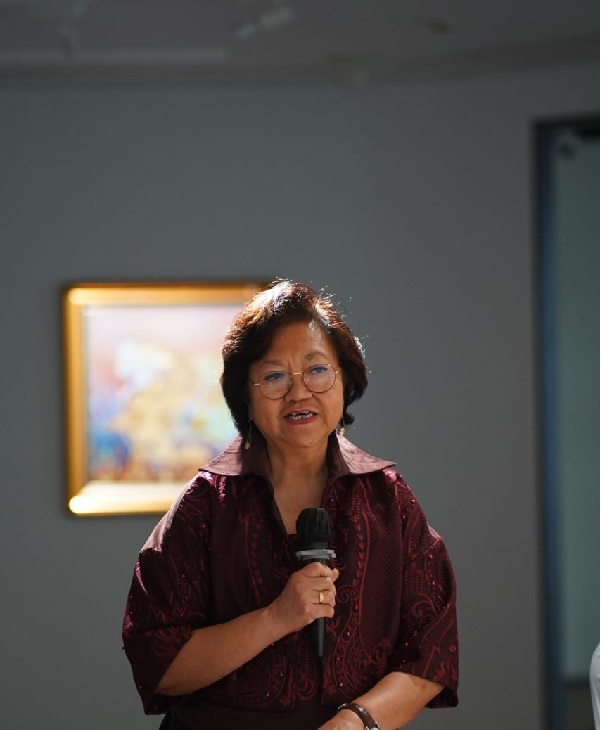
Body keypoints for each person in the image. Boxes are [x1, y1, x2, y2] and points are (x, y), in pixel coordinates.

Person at [122, 279, 459, 730]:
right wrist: (276, 618)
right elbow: (158, 664)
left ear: (344, 379)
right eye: (275, 376)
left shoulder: (388, 500)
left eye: (317, 369)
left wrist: (356, 722)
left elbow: (431, 652)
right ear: (245, 395)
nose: (299, 393)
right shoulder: (205, 506)